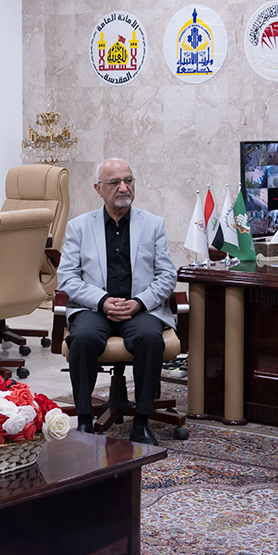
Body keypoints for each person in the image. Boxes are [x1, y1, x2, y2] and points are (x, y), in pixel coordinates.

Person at [58, 158, 177, 444]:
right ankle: (84, 420)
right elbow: (67, 278)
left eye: (129, 181)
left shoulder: (153, 224)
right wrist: (102, 301)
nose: (123, 188)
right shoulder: (79, 227)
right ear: (98, 188)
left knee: (149, 338)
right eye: (114, 182)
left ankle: (142, 422)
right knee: (83, 338)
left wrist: (139, 302)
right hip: (94, 308)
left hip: (140, 308)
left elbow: (166, 276)